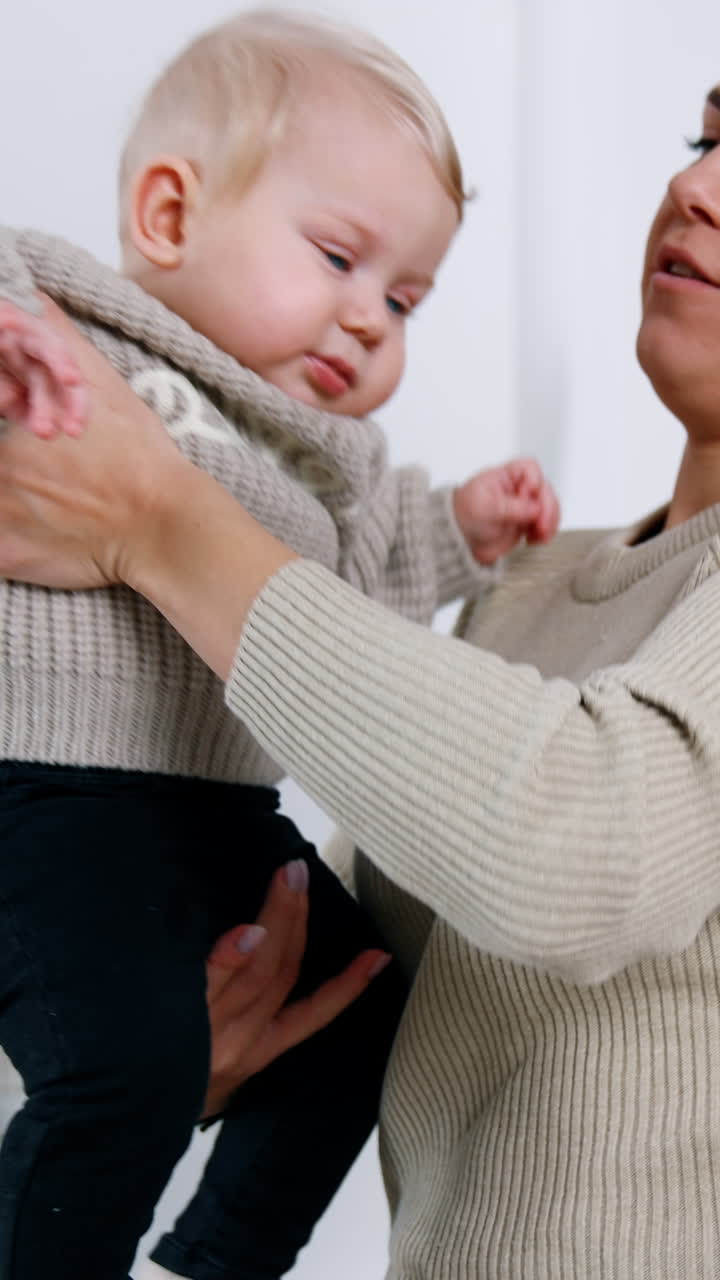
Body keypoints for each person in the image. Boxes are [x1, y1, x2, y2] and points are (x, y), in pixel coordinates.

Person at [0, 76, 719, 1280]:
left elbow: (582, 840)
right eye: (706, 135)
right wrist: (191, 1034)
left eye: (399, 296)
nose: (696, 188)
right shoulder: (535, 584)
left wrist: (161, 521)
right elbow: (344, 924)